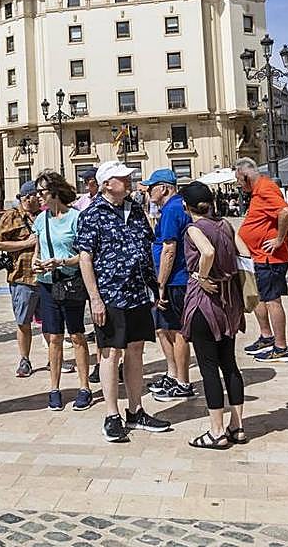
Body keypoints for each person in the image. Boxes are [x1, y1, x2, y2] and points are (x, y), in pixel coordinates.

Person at [76, 161, 171, 442]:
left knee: (136, 350)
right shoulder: (92, 214)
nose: (129, 182)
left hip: (138, 293)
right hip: (110, 295)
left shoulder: (136, 211)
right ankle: (111, 414)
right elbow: (85, 257)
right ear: (106, 183)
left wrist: (155, 286)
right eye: (122, 178)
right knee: (110, 352)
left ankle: (136, 409)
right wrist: (95, 298)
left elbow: (147, 246)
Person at [176, 182, 247, 449]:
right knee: (229, 364)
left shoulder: (194, 228)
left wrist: (202, 275)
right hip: (229, 303)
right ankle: (237, 426)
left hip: (205, 303)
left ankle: (216, 430)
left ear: (187, 206)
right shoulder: (225, 225)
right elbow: (245, 253)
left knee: (208, 368)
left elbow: (207, 251)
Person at [32, 171, 91, 411]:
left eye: (42, 192)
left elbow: (85, 255)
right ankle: (54, 388)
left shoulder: (76, 218)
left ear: (55, 192)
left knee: (77, 335)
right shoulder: (40, 219)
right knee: (54, 337)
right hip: (47, 283)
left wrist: (62, 262)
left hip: (71, 282)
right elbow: (37, 249)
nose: (38, 197)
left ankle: (84, 386)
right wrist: (37, 261)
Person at [144, 168, 196, 401]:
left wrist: (161, 284)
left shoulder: (173, 210)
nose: (148, 192)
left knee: (176, 332)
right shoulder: (171, 208)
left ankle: (183, 382)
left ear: (164, 188)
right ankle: (173, 374)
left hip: (175, 281)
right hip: (171, 280)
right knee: (162, 329)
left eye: (151, 188)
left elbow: (169, 249)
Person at [236, 157, 288, 363]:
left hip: (270, 258)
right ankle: (267, 336)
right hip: (258, 256)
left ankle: (281, 348)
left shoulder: (266, 188)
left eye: (239, 181)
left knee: (272, 300)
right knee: (259, 297)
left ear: (245, 175)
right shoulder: (258, 190)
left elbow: (285, 211)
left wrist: (278, 239)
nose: (238, 185)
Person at [0, 182, 41, 378]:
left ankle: (55, 358)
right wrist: (25, 243)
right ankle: (24, 359)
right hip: (22, 277)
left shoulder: (43, 215)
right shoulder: (11, 216)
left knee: (50, 322)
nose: (39, 199)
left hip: (45, 277)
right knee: (23, 321)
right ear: (27, 197)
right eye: (36, 196)